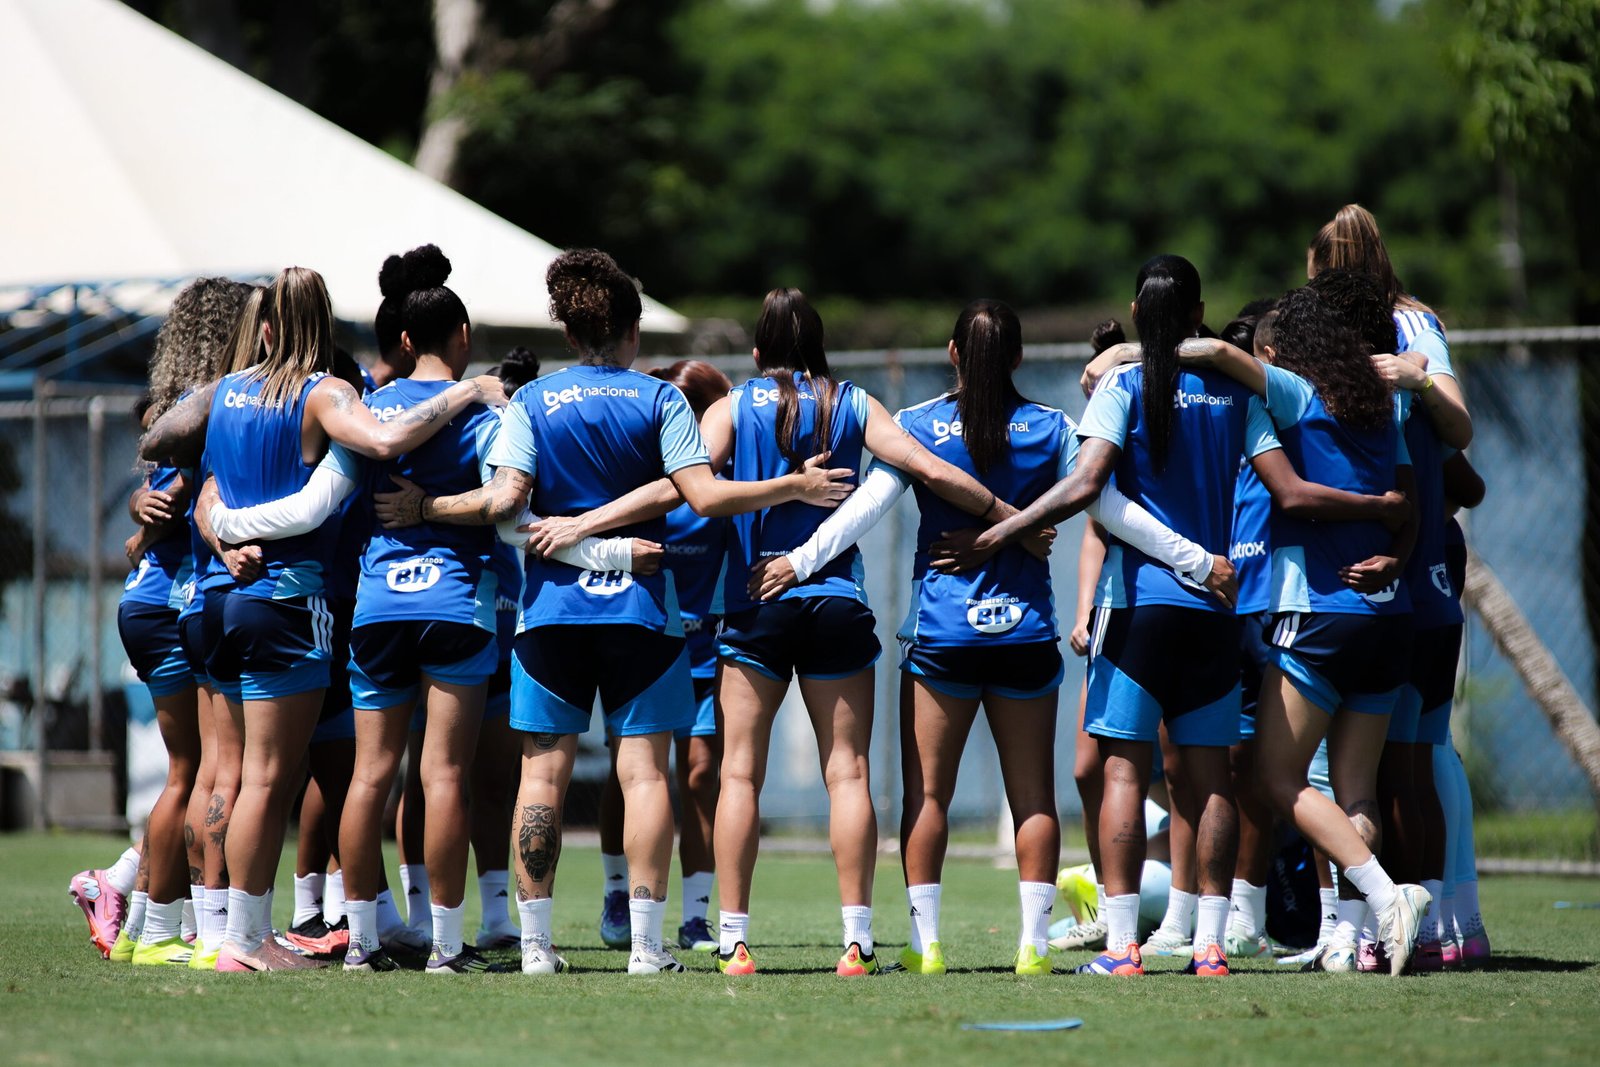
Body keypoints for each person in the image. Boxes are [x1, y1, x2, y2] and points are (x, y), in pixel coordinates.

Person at [373, 252, 851, 976]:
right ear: (632, 329)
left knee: (542, 777)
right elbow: (703, 495)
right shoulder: (660, 400)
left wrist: (427, 507)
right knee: (646, 777)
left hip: (550, 614)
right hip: (641, 612)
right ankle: (648, 948)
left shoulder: (532, 402)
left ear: (570, 334)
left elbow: (505, 504)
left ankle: (535, 947)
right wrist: (792, 486)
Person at [933, 256, 1410, 978]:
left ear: (1135, 312)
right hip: (1216, 607)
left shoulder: (1124, 386)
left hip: (1139, 605)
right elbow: (1283, 485)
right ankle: (1211, 945)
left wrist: (999, 533)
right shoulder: (1237, 395)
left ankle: (1123, 946)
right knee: (1213, 779)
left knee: (1123, 774)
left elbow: (1087, 486)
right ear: (1199, 314)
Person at [755, 299, 1230, 975]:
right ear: (1018, 357)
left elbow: (866, 506)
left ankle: (926, 944)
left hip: (942, 634)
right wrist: (1196, 559)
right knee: (1033, 797)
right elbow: (1108, 504)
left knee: (928, 798)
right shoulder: (1053, 426)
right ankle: (1033, 945)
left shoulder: (917, 424)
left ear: (952, 353)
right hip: (1025, 632)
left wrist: (799, 562)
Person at [168, 265, 506, 972]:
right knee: (271, 779)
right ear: (322, 323)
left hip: (221, 597)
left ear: (265, 326)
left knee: (229, 774)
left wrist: (220, 526)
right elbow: (375, 451)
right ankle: (247, 941)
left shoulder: (224, 393)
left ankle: (218, 930)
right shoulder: (327, 393)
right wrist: (468, 391)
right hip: (291, 595)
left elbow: (166, 443)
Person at [1177, 284, 1434, 975]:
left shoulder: (1292, 392)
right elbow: (1408, 505)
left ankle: (1386, 895)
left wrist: (1144, 349)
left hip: (1320, 611)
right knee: (1355, 791)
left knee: (1277, 775)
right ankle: (1350, 939)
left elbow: (1216, 356)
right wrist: (1395, 554)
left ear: (1283, 349)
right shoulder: (1387, 399)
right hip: (1389, 613)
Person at [596, 359, 734, 954]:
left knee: (701, 776)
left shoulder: (725, 480)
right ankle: (616, 893)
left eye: (692, 412)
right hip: (641, 642)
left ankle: (696, 915)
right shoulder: (637, 480)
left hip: (705, 653)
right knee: (628, 775)